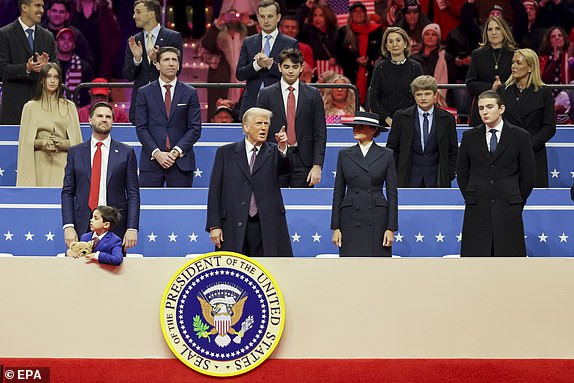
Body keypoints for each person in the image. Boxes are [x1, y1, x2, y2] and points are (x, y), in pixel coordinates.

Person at [456, 90, 536, 257]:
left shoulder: (520, 136)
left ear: (501, 109)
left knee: (509, 265)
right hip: (477, 208)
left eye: (489, 107)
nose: (484, 112)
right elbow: (463, 173)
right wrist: (473, 195)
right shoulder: (470, 136)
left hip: (509, 207)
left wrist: (515, 199)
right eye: (481, 108)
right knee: (476, 264)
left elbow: (528, 176)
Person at [206, 107, 293, 257]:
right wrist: (214, 225)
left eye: (266, 124)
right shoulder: (225, 153)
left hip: (267, 225)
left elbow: (287, 169)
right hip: (233, 223)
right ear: (246, 127)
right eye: (259, 123)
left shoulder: (275, 152)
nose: (264, 128)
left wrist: (283, 148)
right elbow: (215, 191)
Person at [62, 102, 140, 253]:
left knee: (113, 273)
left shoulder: (126, 152)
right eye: (99, 116)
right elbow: (68, 192)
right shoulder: (75, 152)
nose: (104, 119)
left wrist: (132, 227)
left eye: (108, 117)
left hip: (114, 225)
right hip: (81, 224)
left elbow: (133, 193)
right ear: (90, 120)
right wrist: (68, 226)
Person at [331, 111, 398, 257]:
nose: (356, 129)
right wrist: (336, 227)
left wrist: (390, 228)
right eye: (354, 126)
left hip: (377, 218)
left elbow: (392, 194)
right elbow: (338, 193)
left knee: (378, 268)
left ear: (373, 130)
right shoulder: (344, 155)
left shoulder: (386, 155)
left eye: (361, 126)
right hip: (350, 219)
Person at [256, 48, 326, 188]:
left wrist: (317, 165)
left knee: (302, 206)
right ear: (279, 67)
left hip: (304, 160)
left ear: (301, 68)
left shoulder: (313, 95)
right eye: (286, 67)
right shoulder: (266, 94)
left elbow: (320, 132)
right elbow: (258, 129)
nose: (290, 71)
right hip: (274, 157)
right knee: (274, 205)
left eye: (295, 67)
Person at [136, 46, 202, 187]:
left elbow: (195, 128)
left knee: (181, 208)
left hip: (181, 163)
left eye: (174, 60)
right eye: (166, 60)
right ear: (157, 64)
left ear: (178, 65)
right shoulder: (144, 92)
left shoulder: (190, 93)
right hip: (151, 163)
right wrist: (157, 153)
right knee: (149, 207)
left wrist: (175, 152)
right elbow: (141, 127)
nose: (171, 63)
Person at [16, 62, 82, 187]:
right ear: (42, 80)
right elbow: (25, 143)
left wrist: (63, 144)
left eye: (56, 77)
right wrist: (41, 143)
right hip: (39, 162)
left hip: (63, 162)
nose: (52, 81)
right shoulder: (30, 107)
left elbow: (77, 142)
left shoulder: (69, 106)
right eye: (49, 77)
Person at [387, 75, 458, 188]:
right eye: (419, 94)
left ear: (435, 95)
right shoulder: (401, 117)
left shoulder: (447, 119)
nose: (423, 98)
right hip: (407, 179)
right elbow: (392, 148)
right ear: (414, 96)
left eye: (427, 94)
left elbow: (453, 150)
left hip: (438, 180)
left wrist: (448, 174)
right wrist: (397, 173)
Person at [499, 48, 555, 188]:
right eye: (513, 63)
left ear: (530, 67)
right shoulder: (503, 91)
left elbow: (549, 127)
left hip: (534, 154)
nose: (513, 66)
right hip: (508, 154)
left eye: (518, 63)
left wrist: (527, 145)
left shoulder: (544, 92)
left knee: (535, 201)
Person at [235, 0, 298, 119]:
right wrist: (257, 65)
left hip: (279, 104)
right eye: (262, 16)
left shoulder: (290, 43)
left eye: (270, 16)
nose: (266, 20)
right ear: (258, 18)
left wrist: (270, 64)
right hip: (251, 105)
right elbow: (239, 74)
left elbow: (292, 75)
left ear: (278, 17)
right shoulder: (249, 42)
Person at [123, 0, 183, 124]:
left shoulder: (172, 37)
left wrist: (157, 60)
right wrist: (137, 59)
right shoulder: (134, 41)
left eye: (138, 12)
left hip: (165, 105)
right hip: (140, 108)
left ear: (151, 14)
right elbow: (128, 75)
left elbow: (177, 70)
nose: (134, 16)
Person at [0, 0, 57, 124]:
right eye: (37, 6)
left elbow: (57, 69)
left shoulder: (48, 37)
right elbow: (2, 69)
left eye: (42, 6)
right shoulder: (5, 34)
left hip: (43, 107)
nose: (42, 10)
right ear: (24, 7)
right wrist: (26, 68)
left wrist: (48, 68)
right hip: (14, 110)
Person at [201, 10, 257, 117]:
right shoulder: (218, 33)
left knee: (244, 111)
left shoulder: (246, 34)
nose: (232, 19)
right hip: (221, 77)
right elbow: (207, 44)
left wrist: (249, 24)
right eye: (229, 16)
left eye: (235, 15)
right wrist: (217, 25)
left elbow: (256, 44)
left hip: (244, 75)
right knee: (219, 111)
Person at [465, 16, 517, 127]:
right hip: (483, 110)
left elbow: (521, 82)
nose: (493, 32)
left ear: (504, 31)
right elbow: (470, 83)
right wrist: (491, 87)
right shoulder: (477, 55)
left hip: (509, 108)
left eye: (497, 28)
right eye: (490, 29)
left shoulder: (515, 54)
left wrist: (502, 87)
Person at [368, 26, 423, 127]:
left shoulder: (415, 67)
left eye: (398, 40)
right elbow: (374, 100)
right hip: (385, 124)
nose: (394, 44)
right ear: (387, 46)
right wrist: (389, 120)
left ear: (405, 43)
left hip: (411, 122)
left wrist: (409, 120)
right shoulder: (380, 67)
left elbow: (420, 96)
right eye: (390, 41)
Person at [334, 1, 382, 106]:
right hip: (350, 75)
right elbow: (338, 54)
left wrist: (368, 60)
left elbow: (381, 51)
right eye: (355, 11)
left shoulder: (377, 30)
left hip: (371, 74)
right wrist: (355, 60)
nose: (358, 14)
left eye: (361, 11)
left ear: (365, 14)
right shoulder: (343, 32)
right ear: (351, 15)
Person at [70, 0, 120, 79]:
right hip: (76, 60)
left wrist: (109, 54)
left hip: (100, 62)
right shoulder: (71, 8)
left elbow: (115, 34)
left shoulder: (104, 9)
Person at [412, 23, 455, 107]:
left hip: (440, 99)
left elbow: (451, 80)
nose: (430, 37)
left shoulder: (447, 57)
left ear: (438, 38)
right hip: (417, 95)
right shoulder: (413, 58)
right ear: (423, 37)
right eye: (427, 34)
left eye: (434, 34)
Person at [42, 0, 94, 68]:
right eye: (54, 11)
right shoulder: (38, 32)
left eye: (61, 12)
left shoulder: (76, 34)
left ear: (67, 15)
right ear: (48, 13)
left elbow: (88, 63)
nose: (57, 14)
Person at [55, 27, 92, 107]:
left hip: (76, 110)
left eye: (70, 40)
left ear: (74, 45)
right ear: (56, 43)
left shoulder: (84, 67)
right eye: (62, 39)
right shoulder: (50, 65)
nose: (66, 42)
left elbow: (85, 96)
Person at [279, 15, 314, 82]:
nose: (290, 30)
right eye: (287, 27)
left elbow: (309, 71)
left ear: (297, 30)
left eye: (293, 27)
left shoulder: (305, 48)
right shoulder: (273, 46)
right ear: (280, 29)